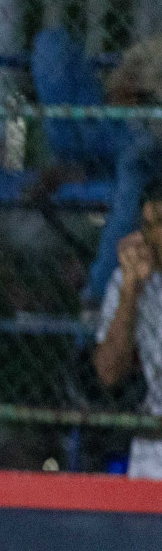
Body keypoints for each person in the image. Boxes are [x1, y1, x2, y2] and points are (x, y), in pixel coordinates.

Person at [33, 28, 162, 305]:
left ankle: (98, 295)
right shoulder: (154, 49)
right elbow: (121, 85)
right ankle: (72, 160)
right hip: (116, 125)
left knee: (136, 164)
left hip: (146, 147)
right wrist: (130, 91)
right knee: (50, 42)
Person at [93, 177, 162, 478]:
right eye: (145, 224)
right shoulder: (129, 280)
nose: (148, 237)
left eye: (159, 223)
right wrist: (131, 291)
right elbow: (109, 372)